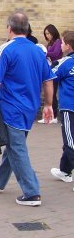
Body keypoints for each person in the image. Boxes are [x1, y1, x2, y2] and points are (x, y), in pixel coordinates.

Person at [0, 12, 54, 207]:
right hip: (30, 109)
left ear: (9, 28)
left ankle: (31, 193)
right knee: (14, 146)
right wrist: (48, 105)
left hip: (11, 108)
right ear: (27, 29)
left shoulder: (5, 49)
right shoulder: (39, 51)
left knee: (16, 148)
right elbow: (48, 81)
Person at [49, 31, 74, 189]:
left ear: (68, 46)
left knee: (70, 142)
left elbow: (50, 76)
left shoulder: (65, 63)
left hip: (69, 108)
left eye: (63, 43)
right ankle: (65, 171)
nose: (61, 45)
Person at [39, 24, 63, 123]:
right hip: (50, 68)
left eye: (48, 33)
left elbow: (56, 54)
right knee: (49, 93)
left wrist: (44, 53)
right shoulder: (50, 43)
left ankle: (54, 117)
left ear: (53, 32)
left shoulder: (58, 42)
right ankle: (49, 116)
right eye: (46, 34)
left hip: (55, 69)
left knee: (52, 93)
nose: (47, 35)